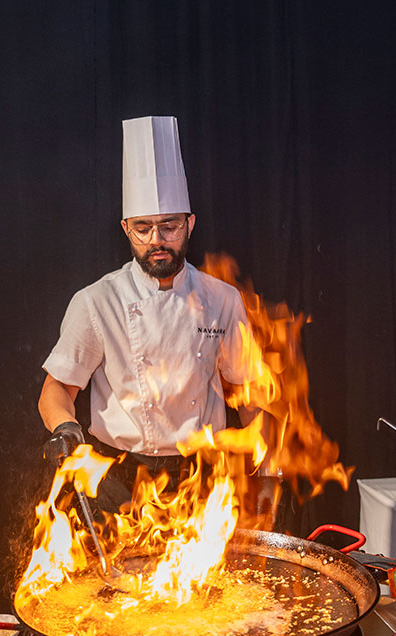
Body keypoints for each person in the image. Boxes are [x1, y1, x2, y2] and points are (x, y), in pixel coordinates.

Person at [38, 116, 259, 508]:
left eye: (169, 226)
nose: (156, 240)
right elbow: (56, 388)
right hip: (119, 481)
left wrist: (268, 474)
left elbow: (249, 394)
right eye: (143, 228)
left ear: (189, 224)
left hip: (203, 480)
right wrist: (66, 427)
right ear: (126, 228)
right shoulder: (96, 302)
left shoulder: (223, 299)